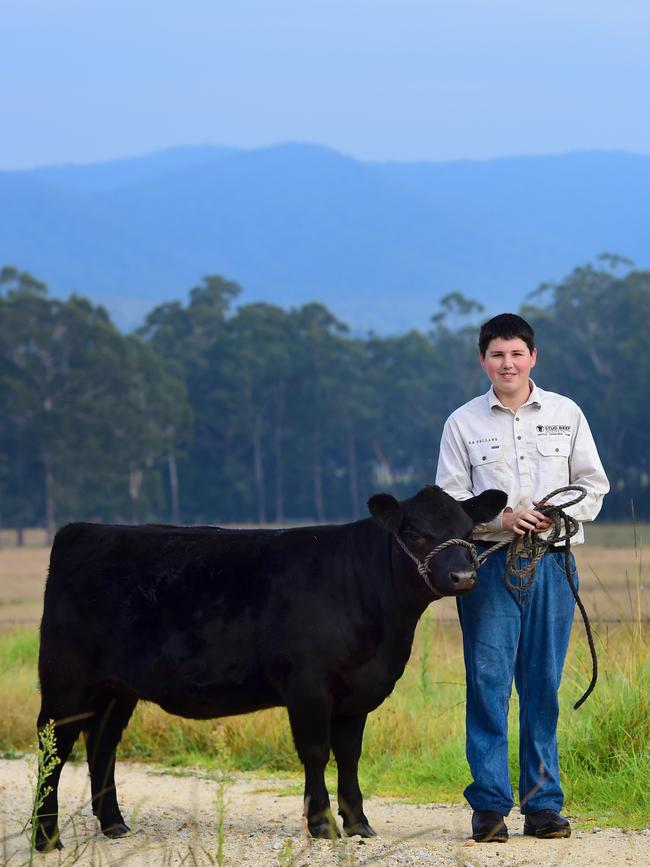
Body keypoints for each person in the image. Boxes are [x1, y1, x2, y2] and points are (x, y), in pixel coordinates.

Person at [435, 313, 609, 843]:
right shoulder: (462, 424)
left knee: (542, 688)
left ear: (533, 357)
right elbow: (450, 504)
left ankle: (543, 808)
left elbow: (593, 485)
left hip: (553, 564)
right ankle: (489, 808)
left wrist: (558, 514)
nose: (506, 363)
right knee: (488, 686)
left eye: (516, 354)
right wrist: (501, 519)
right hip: (488, 569)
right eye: (496, 355)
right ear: (482, 360)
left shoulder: (566, 413)